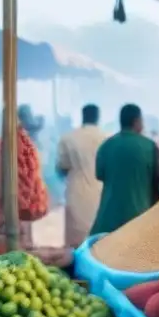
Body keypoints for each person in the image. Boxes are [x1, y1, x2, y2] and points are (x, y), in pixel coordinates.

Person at [91, 105, 159, 235]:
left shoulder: (107, 145)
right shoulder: (150, 146)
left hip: (108, 218)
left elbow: (100, 175)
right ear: (137, 121)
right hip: (139, 215)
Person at [56, 105, 106, 248]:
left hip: (76, 194)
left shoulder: (68, 138)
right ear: (98, 117)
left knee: (76, 242)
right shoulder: (107, 137)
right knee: (99, 241)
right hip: (101, 192)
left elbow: (62, 167)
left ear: (82, 116)